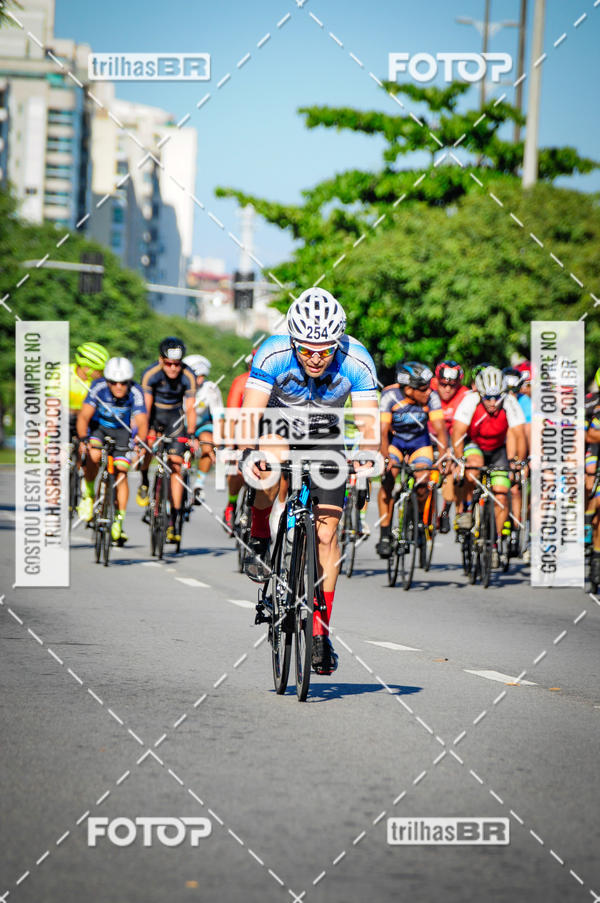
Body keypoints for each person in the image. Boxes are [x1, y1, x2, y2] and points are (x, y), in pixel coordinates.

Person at [238, 288, 379, 675]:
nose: (316, 357)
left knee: (327, 533)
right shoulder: (272, 352)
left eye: (325, 349)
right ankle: (259, 533)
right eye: (306, 350)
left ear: (338, 342)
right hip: (279, 425)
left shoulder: (357, 360)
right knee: (269, 461)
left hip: (327, 433)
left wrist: (363, 470)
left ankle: (320, 634)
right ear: (293, 341)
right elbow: (250, 415)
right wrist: (249, 453)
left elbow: (368, 428)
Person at [452, 365, 526, 567]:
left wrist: (518, 463)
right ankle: (467, 510)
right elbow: (457, 433)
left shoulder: (509, 402)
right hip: (474, 445)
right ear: (480, 394)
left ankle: (493, 544)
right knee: (472, 469)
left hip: (498, 449)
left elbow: (519, 435)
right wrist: (460, 460)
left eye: (497, 398)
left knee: (502, 493)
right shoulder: (470, 400)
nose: (493, 403)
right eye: (488, 398)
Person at [376, 362, 449, 558]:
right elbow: (383, 432)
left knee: (424, 480)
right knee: (388, 478)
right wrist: (385, 459)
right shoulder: (390, 395)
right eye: (423, 389)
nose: (428, 392)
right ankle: (384, 534)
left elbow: (440, 430)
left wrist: (443, 456)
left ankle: (417, 520)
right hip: (395, 441)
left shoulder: (431, 397)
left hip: (419, 442)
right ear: (408, 389)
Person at [76, 357, 148, 542]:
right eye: (113, 382)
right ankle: (89, 494)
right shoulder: (98, 387)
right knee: (93, 454)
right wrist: (84, 438)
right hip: (99, 429)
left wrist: (140, 442)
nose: (118, 387)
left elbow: (142, 421)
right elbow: (84, 416)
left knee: (121, 472)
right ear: (107, 381)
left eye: (123, 383)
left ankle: (119, 520)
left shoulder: (135, 391)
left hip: (122, 432)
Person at [138, 338, 197, 545]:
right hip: (154, 417)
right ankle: (144, 478)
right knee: (146, 449)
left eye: (177, 364)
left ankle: (174, 518)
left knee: (176, 466)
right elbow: (145, 407)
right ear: (161, 360)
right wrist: (144, 435)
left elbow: (190, 408)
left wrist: (190, 435)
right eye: (169, 363)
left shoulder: (188, 375)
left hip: (175, 419)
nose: (173, 368)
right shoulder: (151, 373)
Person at [431, 360, 468, 533]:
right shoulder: (428, 389)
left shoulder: (465, 395)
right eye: (443, 384)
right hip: (431, 438)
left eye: (452, 386)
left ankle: (446, 511)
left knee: (453, 470)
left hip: (454, 442)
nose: (447, 389)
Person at [183, 354, 223, 504]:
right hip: (181, 426)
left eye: (202, 376)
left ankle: (199, 484)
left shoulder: (210, 389)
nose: (199, 380)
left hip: (202, 426)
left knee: (208, 443)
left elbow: (219, 416)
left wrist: (219, 444)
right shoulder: (179, 385)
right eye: (196, 376)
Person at [223, 350, 256, 531]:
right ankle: (232, 504)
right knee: (237, 468)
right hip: (241, 430)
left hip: (265, 431)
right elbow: (231, 417)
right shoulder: (241, 382)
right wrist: (230, 447)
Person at [69, 342, 110, 439]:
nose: (102, 374)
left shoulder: (99, 384)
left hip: (89, 422)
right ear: (87, 368)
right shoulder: (62, 374)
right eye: (100, 371)